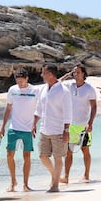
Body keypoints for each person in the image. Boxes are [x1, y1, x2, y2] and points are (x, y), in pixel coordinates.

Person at [32, 64, 72, 192]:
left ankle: (55, 185)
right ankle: (55, 175)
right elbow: (39, 109)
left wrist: (66, 131)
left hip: (58, 129)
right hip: (44, 128)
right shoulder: (43, 89)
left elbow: (68, 112)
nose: (41, 75)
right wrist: (33, 123)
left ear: (50, 74)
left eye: (43, 73)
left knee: (57, 157)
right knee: (43, 156)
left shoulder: (63, 90)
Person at [0, 68, 40, 192]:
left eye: (22, 81)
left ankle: (25, 184)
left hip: (28, 129)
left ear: (27, 79)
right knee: (9, 154)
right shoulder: (13, 90)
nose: (20, 84)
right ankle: (13, 182)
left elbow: (39, 109)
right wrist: (3, 125)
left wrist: (34, 124)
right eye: (18, 82)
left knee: (26, 156)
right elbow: (8, 108)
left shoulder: (35, 90)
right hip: (14, 127)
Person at [59, 64, 97, 183]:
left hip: (83, 125)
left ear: (84, 74)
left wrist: (90, 123)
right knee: (68, 152)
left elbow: (94, 106)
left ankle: (86, 175)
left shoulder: (89, 89)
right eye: (74, 72)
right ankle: (66, 177)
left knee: (85, 150)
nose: (76, 74)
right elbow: (57, 83)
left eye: (78, 72)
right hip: (70, 125)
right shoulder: (69, 86)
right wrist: (67, 75)